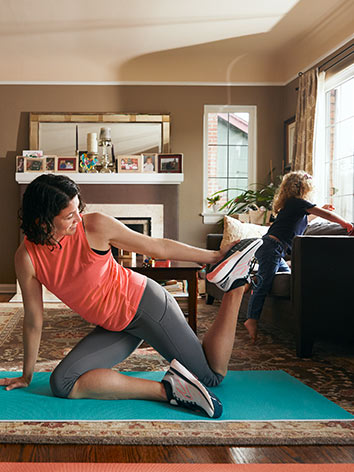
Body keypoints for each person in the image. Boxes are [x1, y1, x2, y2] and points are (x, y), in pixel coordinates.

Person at [0, 174, 257, 418]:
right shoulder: (26, 259)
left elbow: (157, 246)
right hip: (116, 326)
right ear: (42, 221)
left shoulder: (95, 226)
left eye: (78, 209)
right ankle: (169, 390)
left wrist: (215, 257)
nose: (78, 218)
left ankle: (234, 288)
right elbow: (34, 320)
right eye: (69, 216)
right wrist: (26, 374)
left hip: (147, 305)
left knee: (212, 377)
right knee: (62, 384)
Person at [244, 170, 354, 343]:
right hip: (271, 248)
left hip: (275, 250)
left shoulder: (293, 206)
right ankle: (252, 319)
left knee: (285, 274)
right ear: (304, 188)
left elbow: (306, 220)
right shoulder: (297, 203)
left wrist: (318, 211)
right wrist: (345, 223)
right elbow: (327, 216)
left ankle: (251, 281)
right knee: (264, 283)